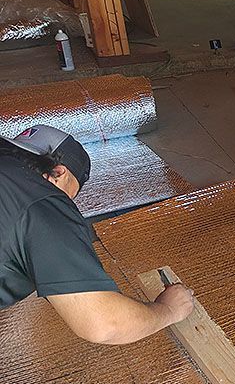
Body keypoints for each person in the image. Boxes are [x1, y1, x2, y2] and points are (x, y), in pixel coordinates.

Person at [0, 125, 194, 343]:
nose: (67, 203)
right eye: (69, 195)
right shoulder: (45, 203)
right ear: (60, 173)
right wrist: (169, 309)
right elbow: (104, 324)